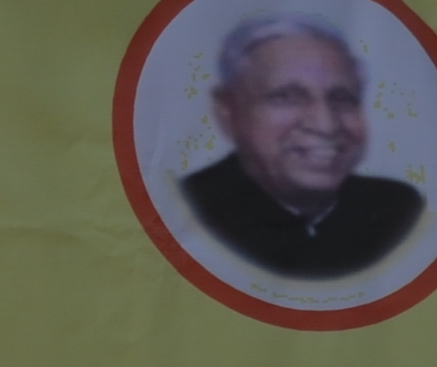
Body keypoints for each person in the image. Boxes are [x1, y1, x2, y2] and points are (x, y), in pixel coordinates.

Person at [178, 14, 423, 277]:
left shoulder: (396, 210)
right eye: (287, 97)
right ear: (228, 111)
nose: (326, 125)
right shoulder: (187, 213)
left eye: (342, 98)